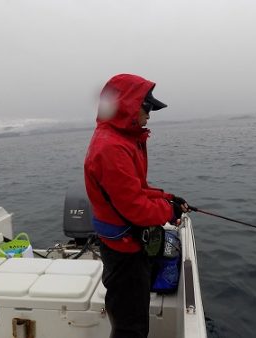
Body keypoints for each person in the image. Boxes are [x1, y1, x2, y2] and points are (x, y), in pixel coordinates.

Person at [84, 73, 188, 338]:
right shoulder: (112, 148)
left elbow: (136, 190)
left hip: (128, 246)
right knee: (131, 329)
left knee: (132, 320)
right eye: (147, 107)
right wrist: (170, 211)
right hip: (124, 252)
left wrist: (167, 198)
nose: (150, 115)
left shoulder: (120, 140)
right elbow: (136, 209)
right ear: (129, 106)